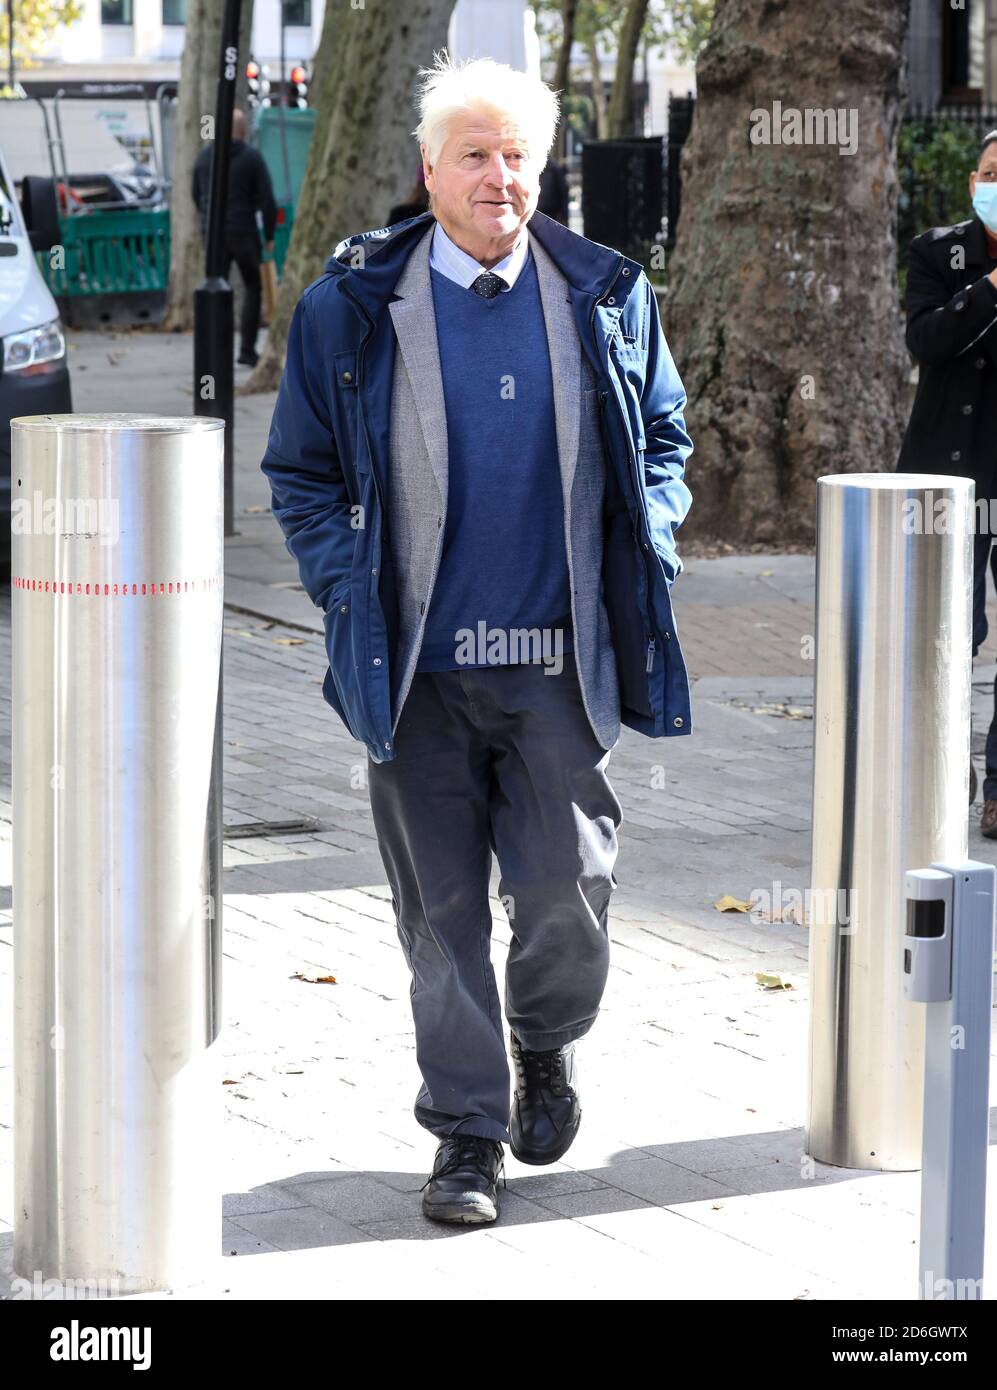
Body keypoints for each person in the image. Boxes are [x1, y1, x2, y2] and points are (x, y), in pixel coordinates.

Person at [260, 53, 693, 1224]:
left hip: (558, 664)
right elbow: (297, 470)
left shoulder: (604, 292)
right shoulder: (352, 305)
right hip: (417, 674)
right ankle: (465, 1135)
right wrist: (347, 584)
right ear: (430, 170)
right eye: (476, 156)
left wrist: (646, 535)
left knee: (567, 890)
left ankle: (544, 1040)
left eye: (518, 157)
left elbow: (665, 436)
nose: (500, 177)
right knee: (439, 919)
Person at [899, 125, 997, 839]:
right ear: (972, 181)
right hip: (954, 469)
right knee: (950, 629)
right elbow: (927, 340)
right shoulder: (937, 253)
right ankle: (945, 777)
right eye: (990, 171)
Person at [191, 106, 277, 367]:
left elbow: (196, 194)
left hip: (214, 234)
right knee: (253, 287)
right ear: (242, 131)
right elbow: (267, 200)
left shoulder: (204, 158)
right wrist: (269, 235)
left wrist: (207, 222)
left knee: (217, 289)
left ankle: (215, 349)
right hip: (243, 231)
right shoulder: (251, 157)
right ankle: (247, 349)